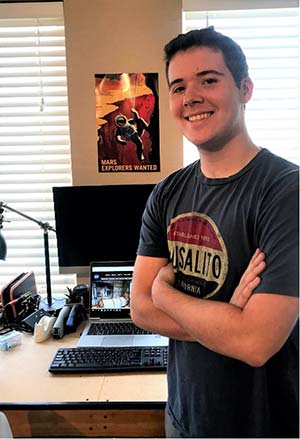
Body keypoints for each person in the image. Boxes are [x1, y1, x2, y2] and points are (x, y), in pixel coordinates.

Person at [131, 27, 299, 438]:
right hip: (184, 419)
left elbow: (257, 343)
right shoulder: (167, 192)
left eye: (209, 79)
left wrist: (165, 294)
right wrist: (230, 320)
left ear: (245, 89)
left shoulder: (286, 192)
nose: (191, 97)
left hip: (262, 425)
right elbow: (139, 308)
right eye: (178, 86)